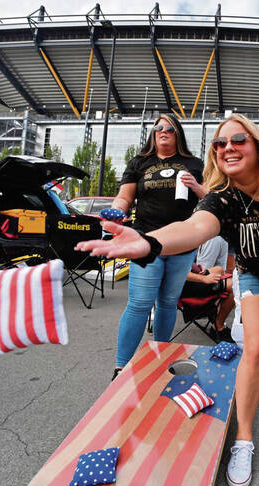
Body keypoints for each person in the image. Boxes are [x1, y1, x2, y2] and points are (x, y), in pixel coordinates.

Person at [75, 113, 259, 486]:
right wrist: (149, 243)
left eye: (238, 140)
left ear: (257, 147)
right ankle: (244, 440)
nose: (227, 147)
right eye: (219, 143)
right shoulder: (222, 198)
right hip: (257, 275)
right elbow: (195, 228)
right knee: (255, 349)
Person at [107, 114, 206, 380]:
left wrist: (196, 187)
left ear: (178, 134)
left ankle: (162, 356)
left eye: (169, 128)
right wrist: (116, 211)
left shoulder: (193, 163)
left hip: (181, 242)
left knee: (168, 303)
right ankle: (121, 366)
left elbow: (211, 198)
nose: (163, 131)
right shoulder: (140, 162)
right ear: (153, 133)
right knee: (139, 303)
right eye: (158, 127)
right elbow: (124, 197)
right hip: (145, 241)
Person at [181, 236, 235, 342]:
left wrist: (199, 268)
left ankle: (216, 312)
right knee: (235, 286)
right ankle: (218, 327)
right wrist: (204, 278)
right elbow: (178, 273)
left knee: (219, 269)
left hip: (193, 275)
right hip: (187, 285)